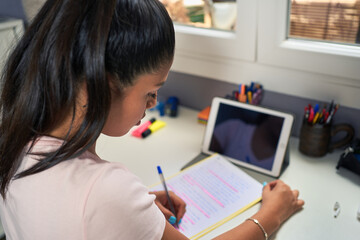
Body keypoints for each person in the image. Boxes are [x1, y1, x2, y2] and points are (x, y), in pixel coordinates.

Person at [0, 0, 304, 239]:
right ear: (102, 87)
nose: (154, 103)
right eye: (150, 92)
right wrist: (271, 215)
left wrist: (132, 213)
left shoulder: (14, 141)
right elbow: (94, 202)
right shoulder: (104, 190)